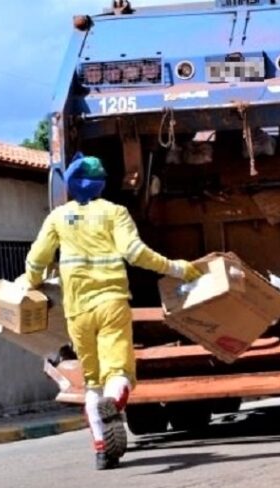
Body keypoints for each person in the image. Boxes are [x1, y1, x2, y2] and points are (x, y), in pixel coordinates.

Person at [17, 154, 201, 469]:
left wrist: (29, 283)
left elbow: (36, 261)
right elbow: (134, 253)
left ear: (72, 187)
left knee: (92, 381)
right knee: (119, 373)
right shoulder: (115, 213)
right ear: (102, 184)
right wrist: (178, 269)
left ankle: (103, 449)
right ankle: (113, 405)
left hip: (77, 310)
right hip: (111, 303)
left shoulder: (58, 218)